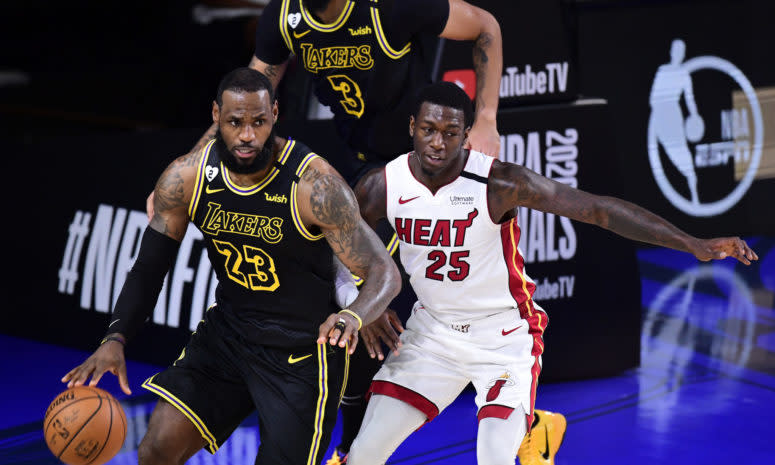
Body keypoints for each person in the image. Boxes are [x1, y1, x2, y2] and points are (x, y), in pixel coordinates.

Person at [345, 81, 758, 465]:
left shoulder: (498, 183)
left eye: (451, 132)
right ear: (412, 126)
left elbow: (598, 209)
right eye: (429, 129)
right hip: (431, 336)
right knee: (362, 455)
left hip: (502, 340)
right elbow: (339, 245)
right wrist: (362, 303)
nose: (438, 143)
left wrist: (694, 244)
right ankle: (537, 424)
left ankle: (534, 431)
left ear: (467, 133)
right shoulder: (382, 186)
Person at [61, 67, 401, 465]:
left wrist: (353, 316)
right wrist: (114, 338)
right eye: (235, 122)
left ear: (275, 114)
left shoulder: (313, 184)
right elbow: (149, 268)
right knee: (156, 448)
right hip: (229, 338)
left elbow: (384, 273)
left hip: (301, 354)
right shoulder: (187, 177)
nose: (246, 135)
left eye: (258, 122)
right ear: (216, 116)